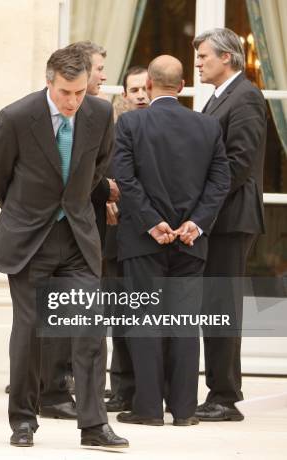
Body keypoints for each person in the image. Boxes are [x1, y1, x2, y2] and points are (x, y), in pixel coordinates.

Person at [0, 45, 128, 449]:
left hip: (78, 238)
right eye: (66, 92)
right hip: (30, 239)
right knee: (30, 332)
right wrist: (27, 210)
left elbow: (99, 164)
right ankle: (24, 421)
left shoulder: (99, 114)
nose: (73, 101)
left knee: (89, 330)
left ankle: (94, 425)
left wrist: (73, 202)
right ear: (49, 82)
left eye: (80, 92)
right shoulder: (16, 117)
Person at [113, 55, 229, 426]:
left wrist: (151, 222)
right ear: (181, 87)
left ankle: (147, 409)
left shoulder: (130, 123)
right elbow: (220, 182)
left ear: (148, 86)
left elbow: (124, 179)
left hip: (143, 241)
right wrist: (196, 222)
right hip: (191, 241)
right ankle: (184, 410)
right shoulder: (208, 127)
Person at [192, 27, 267, 422]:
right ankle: (219, 391)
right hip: (218, 219)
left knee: (222, 307)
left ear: (228, 57)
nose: (198, 62)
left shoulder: (247, 97)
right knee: (213, 306)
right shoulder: (219, 98)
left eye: (204, 56)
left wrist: (200, 211)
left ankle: (225, 397)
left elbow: (238, 164)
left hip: (231, 219)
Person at [105, 65, 150, 413]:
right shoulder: (113, 130)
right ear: (124, 95)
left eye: (145, 89)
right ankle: (121, 386)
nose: (140, 96)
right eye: (134, 90)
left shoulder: (165, 129)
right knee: (119, 315)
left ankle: (149, 386)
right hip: (115, 236)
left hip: (152, 237)